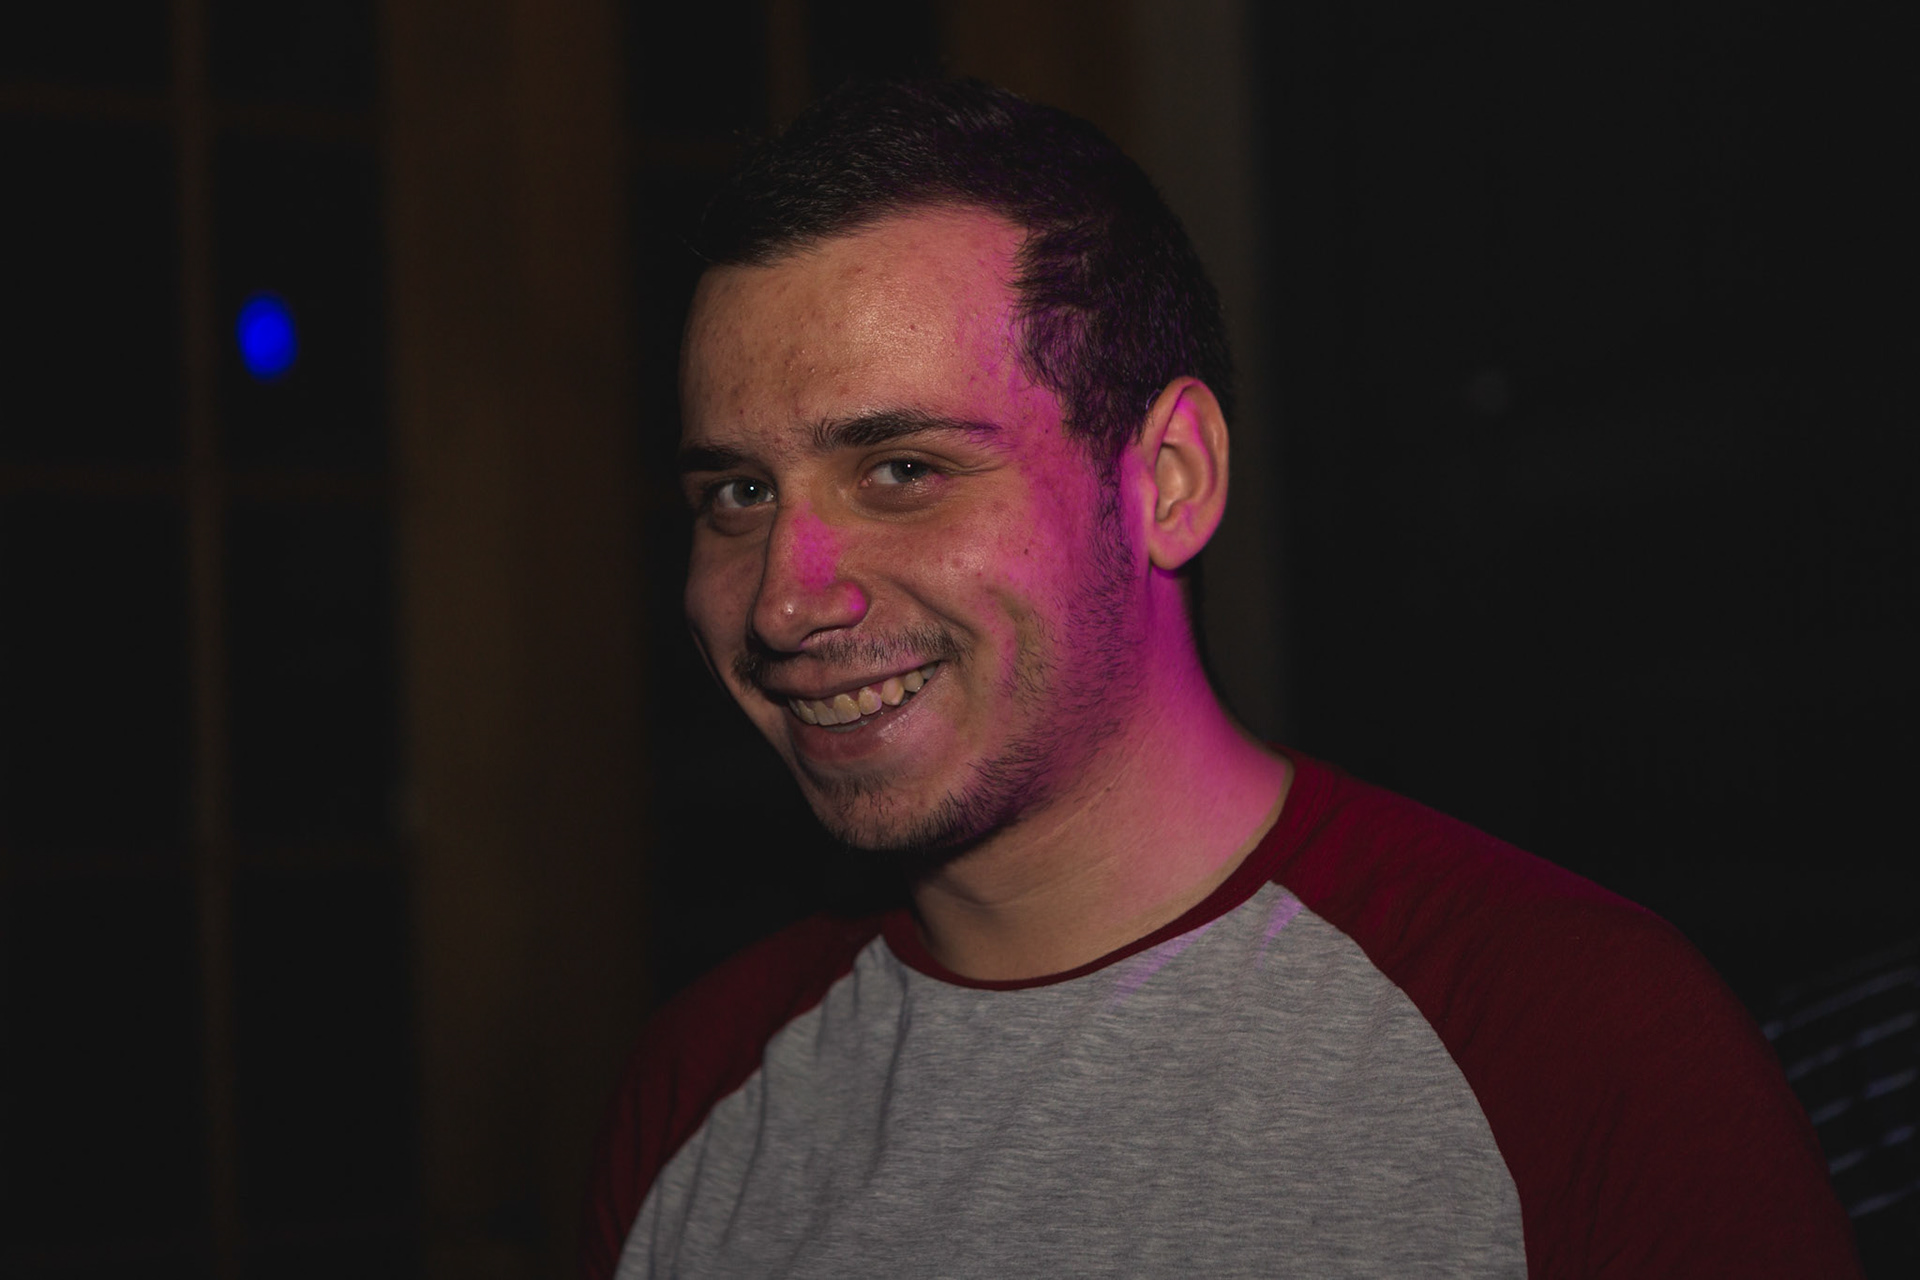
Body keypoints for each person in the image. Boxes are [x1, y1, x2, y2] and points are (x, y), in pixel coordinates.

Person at [585, 79, 1858, 1278]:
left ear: (1170, 479)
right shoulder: (698, 1086)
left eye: (903, 469)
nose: (786, 598)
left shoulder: (1575, 1037)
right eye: (738, 493)